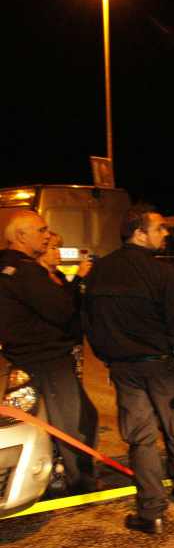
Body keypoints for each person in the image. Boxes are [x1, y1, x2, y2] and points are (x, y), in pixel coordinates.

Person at [84, 204, 174, 535]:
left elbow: (90, 323)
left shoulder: (99, 272)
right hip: (161, 366)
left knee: (141, 438)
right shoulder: (162, 272)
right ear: (139, 233)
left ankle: (151, 511)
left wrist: (108, 357)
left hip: (124, 368)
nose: (166, 234)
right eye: (160, 228)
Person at [0, 210, 99, 494]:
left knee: (28, 419)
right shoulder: (27, 271)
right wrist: (78, 284)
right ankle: (80, 481)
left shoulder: (9, 267)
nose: (46, 235)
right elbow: (62, 310)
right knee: (75, 421)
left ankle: (43, 474)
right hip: (48, 360)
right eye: (41, 230)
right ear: (20, 236)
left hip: (23, 356)